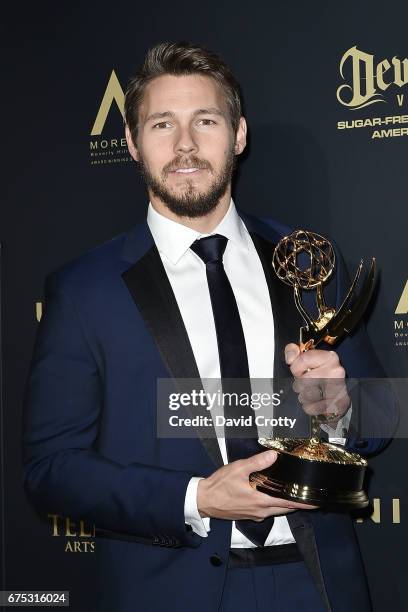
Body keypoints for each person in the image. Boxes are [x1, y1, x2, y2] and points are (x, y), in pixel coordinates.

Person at [22, 42, 397, 612]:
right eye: (161, 124)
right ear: (130, 142)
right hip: (171, 589)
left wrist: (340, 408)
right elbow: (51, 470)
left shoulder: (307, 260)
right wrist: (197, 498)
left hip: (318, 586)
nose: (185, 146)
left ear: (239, 135)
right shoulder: (84, 290)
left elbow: (383, 416)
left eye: (206, 120)